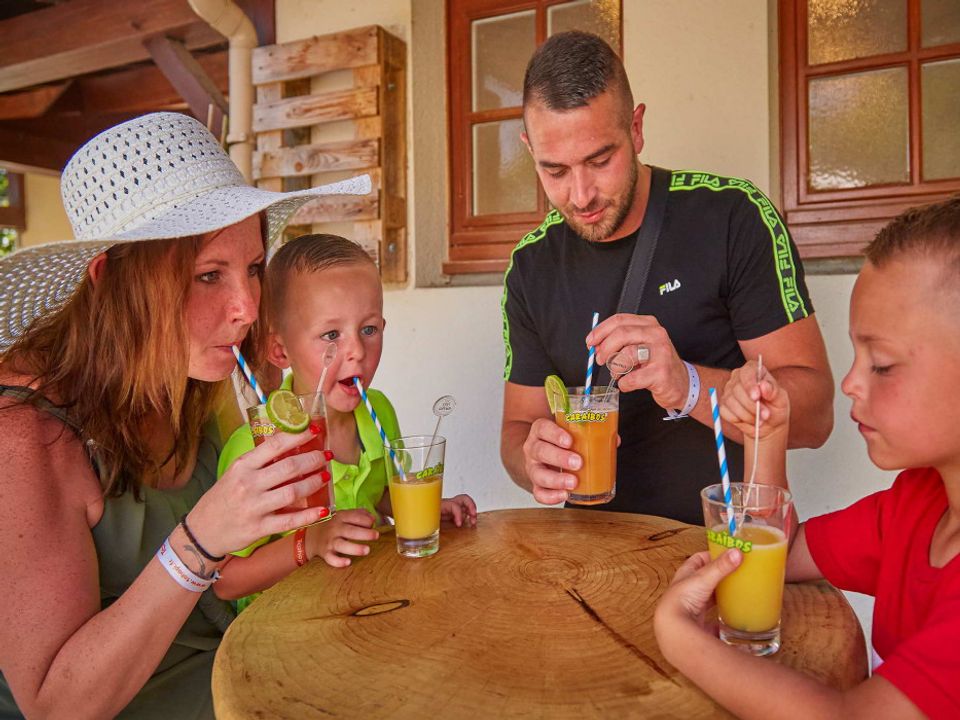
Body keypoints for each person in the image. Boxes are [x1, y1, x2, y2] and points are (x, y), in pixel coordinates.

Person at [0, 112, 371, 718]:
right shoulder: (24, 438)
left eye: (252, 268)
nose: (247, 307)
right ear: (112, 283)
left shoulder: (202, 380)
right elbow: (55, 703)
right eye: (207, 276)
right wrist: (200, 542)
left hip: (249, 678)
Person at [500, 31, 834, 524]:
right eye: (554, 171)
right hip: (586, 562)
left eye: (600, 160)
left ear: (635, 129)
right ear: (530, 149)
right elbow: (517, 425)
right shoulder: (530, 265)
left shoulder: (733, 217)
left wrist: (690, 385)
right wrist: (532, 462)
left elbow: (815, 418)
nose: (581, 194)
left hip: (722, 549)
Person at [655, 196, 960, 719]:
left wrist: (677, 635)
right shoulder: (917, 506)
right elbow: (779, 551)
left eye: (882, 365)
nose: (850, 383)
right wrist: (765, 436)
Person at [214, 233, 477, 607]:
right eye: (331, 335)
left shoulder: (378, 411)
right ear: (279, 350)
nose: (356, 352)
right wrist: (312, 543)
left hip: (361, 600)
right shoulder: (257, 447)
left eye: (368, 329)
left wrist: (425, 507)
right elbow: (225, 581)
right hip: (281, 626)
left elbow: (377, 494)